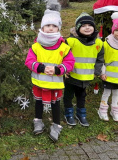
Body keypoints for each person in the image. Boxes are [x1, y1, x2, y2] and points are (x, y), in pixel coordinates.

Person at [25, 9, 75, 142]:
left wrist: (58, 70)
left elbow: (70, 62)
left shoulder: (63, 47)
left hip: (55, 84)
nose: (50, 28)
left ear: (58, 28)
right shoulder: (36, 46)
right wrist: (40, 67)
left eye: (54, 26)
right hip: (39, 82)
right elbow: (29, 61)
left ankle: (56, 125)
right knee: (39, 102)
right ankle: (38, 121)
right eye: (47, 25)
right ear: (42, 27)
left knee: (55, 104)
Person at [63, 13, 104, 127]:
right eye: (83, 25)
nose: (87, 28)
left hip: (86, 77)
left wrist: (97, 71)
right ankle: (68, 113)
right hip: (71, 76)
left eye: (90, 25)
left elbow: (100, 59)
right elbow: (63, 56)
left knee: (81, 96)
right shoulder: (71, 41)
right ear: (77, 28)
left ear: (94, 28)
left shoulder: (98, 43)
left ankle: (81, 114)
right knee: (68, 95)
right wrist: (64, 69)